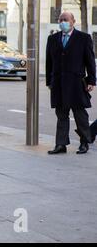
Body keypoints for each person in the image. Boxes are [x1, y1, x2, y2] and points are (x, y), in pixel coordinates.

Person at [46, 11, 96, 155]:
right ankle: (61, 144)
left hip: (76, 83)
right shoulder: (52, 39)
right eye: (61, 20)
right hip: (58, 84)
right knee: (61, 115)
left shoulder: (84, 38)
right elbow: (49, 62)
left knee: (80, 115)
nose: (63, 22)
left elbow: (90, 61)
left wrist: (92, 80)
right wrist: (49, 81)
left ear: (73, 21)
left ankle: (84, 142)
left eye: (66, 19)